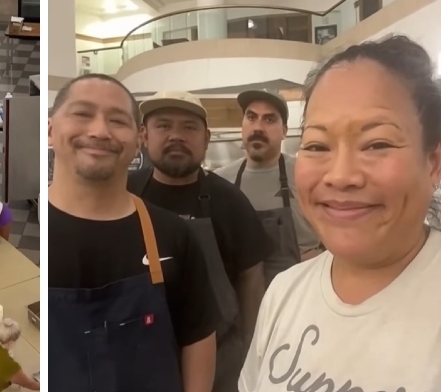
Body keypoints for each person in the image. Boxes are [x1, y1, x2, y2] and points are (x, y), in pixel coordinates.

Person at [239, 36, 441, 391]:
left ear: (434, 163)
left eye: (377, 144)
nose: (341, 176)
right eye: (317, 146)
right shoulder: (283, 293)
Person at [49, 73, 218, 392]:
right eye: (82, 114)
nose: (99, 131)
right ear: (50, 129)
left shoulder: (172, 234)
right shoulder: (31, 239)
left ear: (138, 139)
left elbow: (197, 338)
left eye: (117, 120)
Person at [127, 91, 274, 392]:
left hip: (222, 360)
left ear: (206, 139)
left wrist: (253, 352)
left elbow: (252, 281)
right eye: (163, 126)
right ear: (143, 135)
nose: (176, 136)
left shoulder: (230, 201)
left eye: (189, 127)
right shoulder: (123, 193)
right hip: (139, 355)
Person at [214, 89, 321, 286]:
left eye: (269, 120)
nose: (258, 128)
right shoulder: (219, 181)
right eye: (251, 117)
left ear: (284, 131)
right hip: (240, 300)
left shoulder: (307, 174)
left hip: (298, 293)